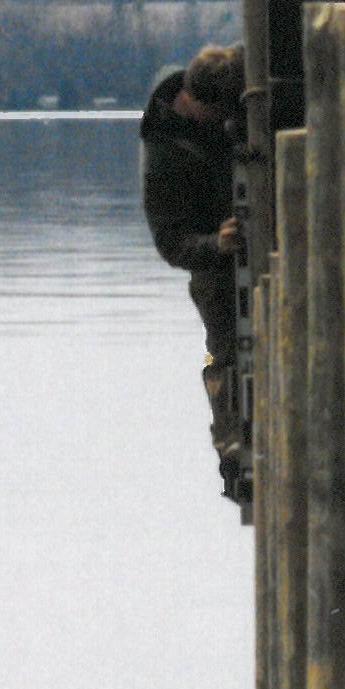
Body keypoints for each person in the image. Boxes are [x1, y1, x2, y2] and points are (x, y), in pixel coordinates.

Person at [141, 41, 248, 495]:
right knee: (225, 360)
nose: (226, 123)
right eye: (220, 114)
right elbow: (170, 243)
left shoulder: (229, 89)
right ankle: (234, 462)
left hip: (260, 250)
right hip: (214, 273)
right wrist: (216, 244)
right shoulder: (165, 152)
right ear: (195, 102)